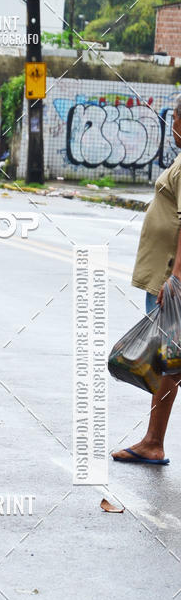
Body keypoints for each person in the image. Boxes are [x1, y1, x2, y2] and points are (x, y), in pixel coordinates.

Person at [112, 94, 181, 465]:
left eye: (173, 120)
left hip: (171, 281)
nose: (171, 127)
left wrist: (176, 277)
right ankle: (153, 441)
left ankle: (153, 442)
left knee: (171, 362)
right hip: (168, 276)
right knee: (171, 362)